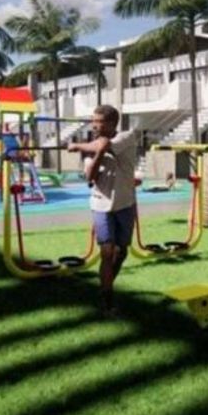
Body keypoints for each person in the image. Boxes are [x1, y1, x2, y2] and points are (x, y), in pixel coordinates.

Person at [67, 105, 137, 317]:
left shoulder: (127, 137)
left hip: (125, 203)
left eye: (99, 121)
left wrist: (76, 145)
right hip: (100, 205)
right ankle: (107, 299)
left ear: (112, 124)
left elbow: (107, 144)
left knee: (121, 252)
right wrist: (97, 153)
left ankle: (104, 286)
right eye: (93, 121)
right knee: (107, 252)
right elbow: (90, 177)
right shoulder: (91, 150)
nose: (94, 125)